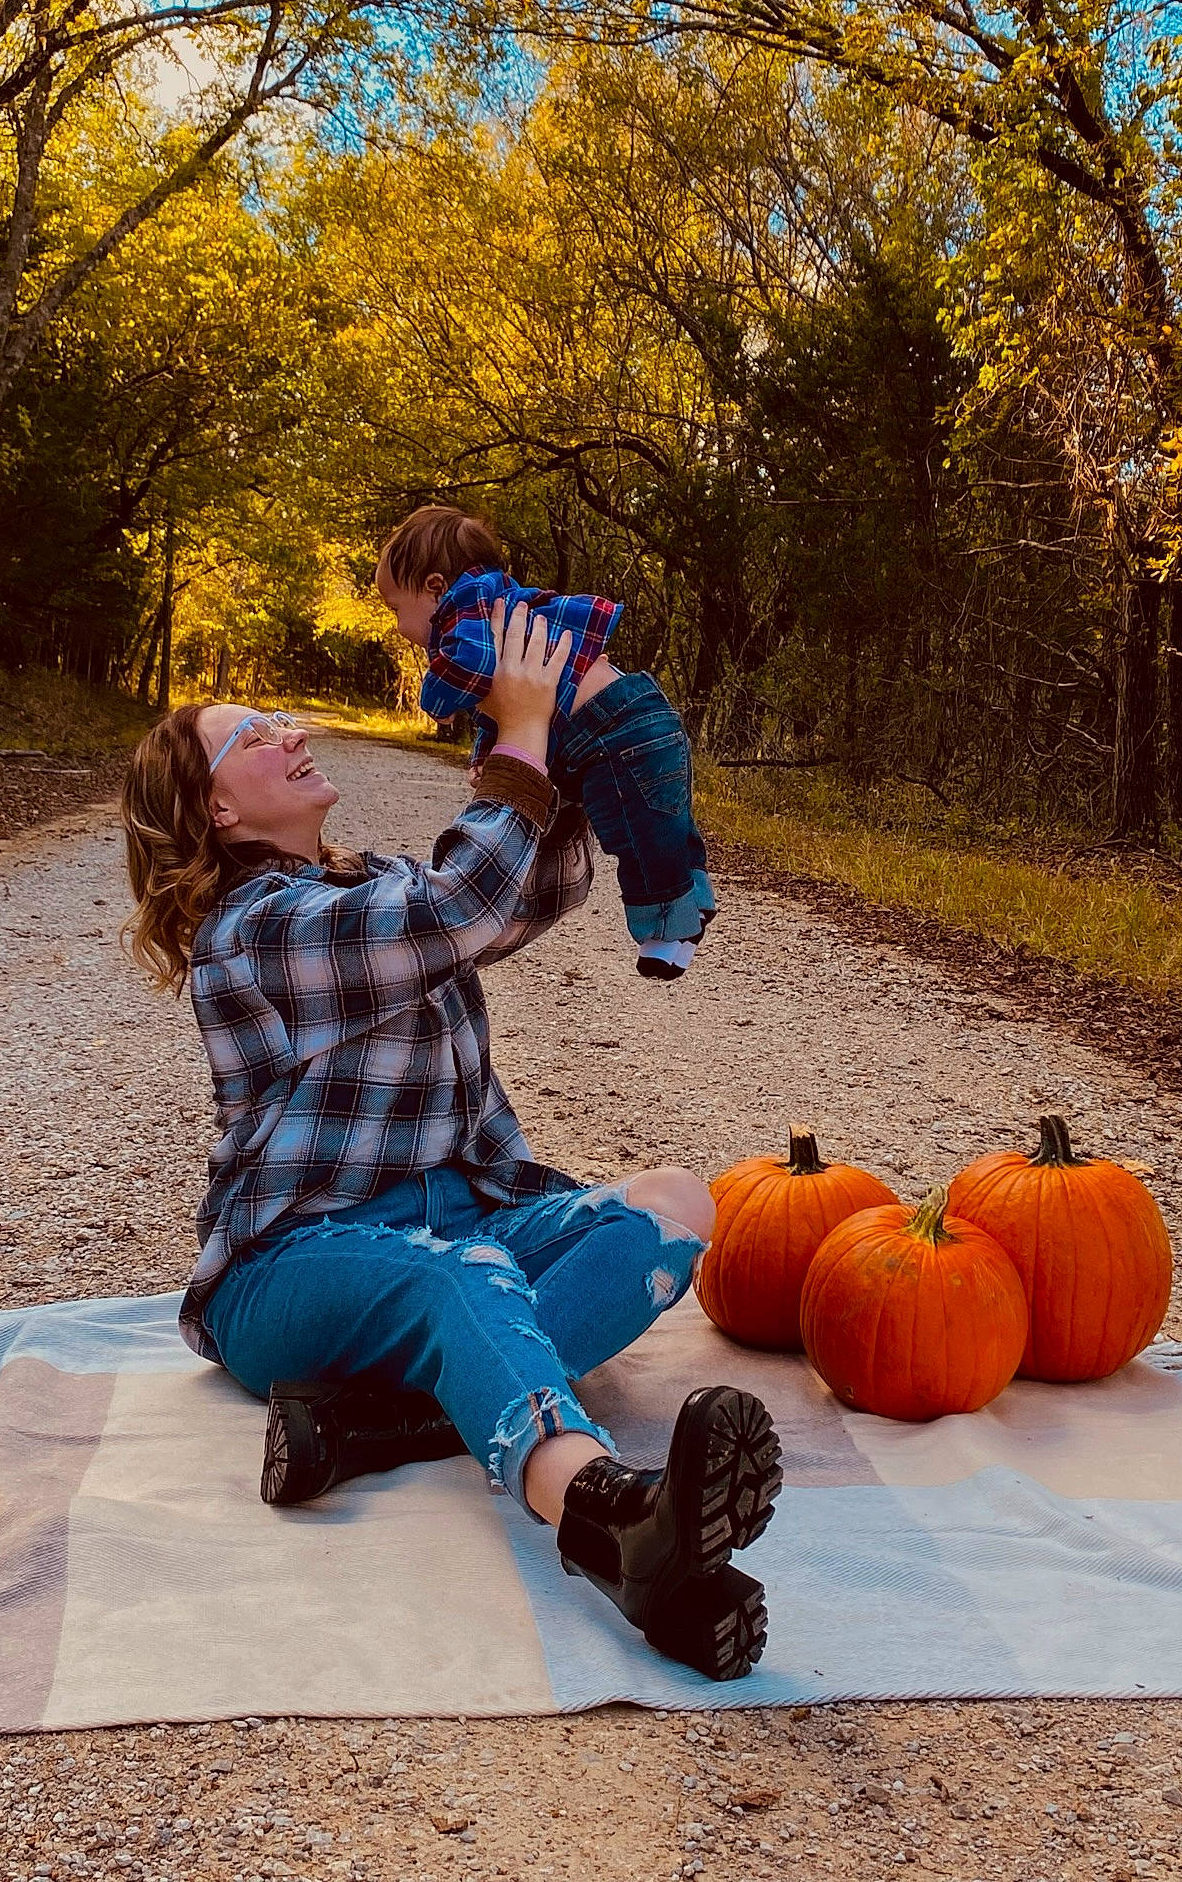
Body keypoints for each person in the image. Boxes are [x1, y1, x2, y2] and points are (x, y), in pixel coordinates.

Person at [118, 600, 781, 1681]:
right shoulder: (254, 925)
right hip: (288, 1268)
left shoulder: (367, 880)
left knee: (672, 1209)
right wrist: (512, 741)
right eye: (255, 735)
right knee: (462, 1275)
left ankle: (378, 1426)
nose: (291, 732)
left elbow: (516, 900)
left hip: (453, 1223)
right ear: (219, 811)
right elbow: (461, 909)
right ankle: (605, 1509)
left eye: (283, 718)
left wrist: (560, 752)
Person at [374, 503, 715, 980]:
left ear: (434, 588)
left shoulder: (467, 609)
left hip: (612, 730)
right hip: (631, 716)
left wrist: (437, 698)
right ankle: (693, 900)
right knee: (665, 824)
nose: (398, 626)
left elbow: (470, 673)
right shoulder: (501, 603)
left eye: (395, 608)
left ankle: (663, 933)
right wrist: (491, 757)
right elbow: (503, 706)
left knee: (634, 834)